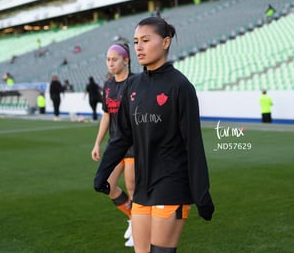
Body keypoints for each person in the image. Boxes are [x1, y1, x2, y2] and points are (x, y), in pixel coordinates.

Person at [94, 16, 214, 253]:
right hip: (142, 187)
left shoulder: (180, 87)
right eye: (136, 41)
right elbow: (122, 137)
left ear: (166, 42)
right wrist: (103, 173)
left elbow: (193, 143)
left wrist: (202, 194)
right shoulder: (132, 86)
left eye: (146, 40)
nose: (139, 47)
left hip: (172, 185)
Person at [92, 43, 135, 247]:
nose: (110, 63)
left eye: (114, 59)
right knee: (106, 185)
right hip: (114, 145)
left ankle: (139, 228)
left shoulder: (136, 83)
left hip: (134, 146)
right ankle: (134, 218)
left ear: (125, 60)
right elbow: (106, 116)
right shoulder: (108, 85)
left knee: (132, 187)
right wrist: (97, 144)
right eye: (108, 59)